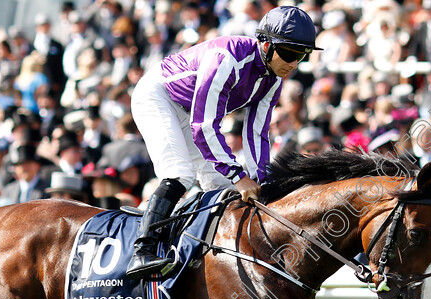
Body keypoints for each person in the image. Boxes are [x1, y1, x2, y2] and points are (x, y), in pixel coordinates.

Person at [126, 5, 320, 279]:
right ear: (265, 44)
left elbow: (257, 134)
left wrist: (260, 181)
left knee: (220, 187)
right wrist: (239, 175)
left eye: (302, 55)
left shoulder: (273, 79)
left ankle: (205, 257)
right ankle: (142, 250)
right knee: (180, 173)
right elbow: (204, 126)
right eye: (289, 53)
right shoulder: (226, 58)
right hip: (159, 97)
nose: (294, 63)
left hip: (191, 112)